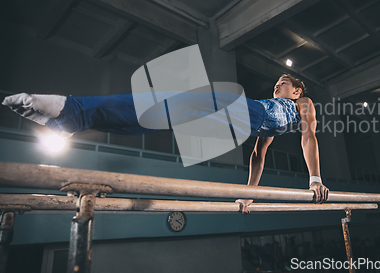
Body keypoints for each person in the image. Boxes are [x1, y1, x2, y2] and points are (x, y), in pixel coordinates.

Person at [2, 74, 329, 211]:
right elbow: (258, 154)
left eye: (282, 84)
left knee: (165, 112)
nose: (277, 86)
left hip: (243, 118)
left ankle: (75, 115)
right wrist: (252, 194)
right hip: (242, 109)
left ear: (297, 91)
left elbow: (300, 140)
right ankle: (74, 114)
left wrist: (253, 195)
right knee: (165, 111)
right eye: (275, 84)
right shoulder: (268, 106)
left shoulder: (304, 104)